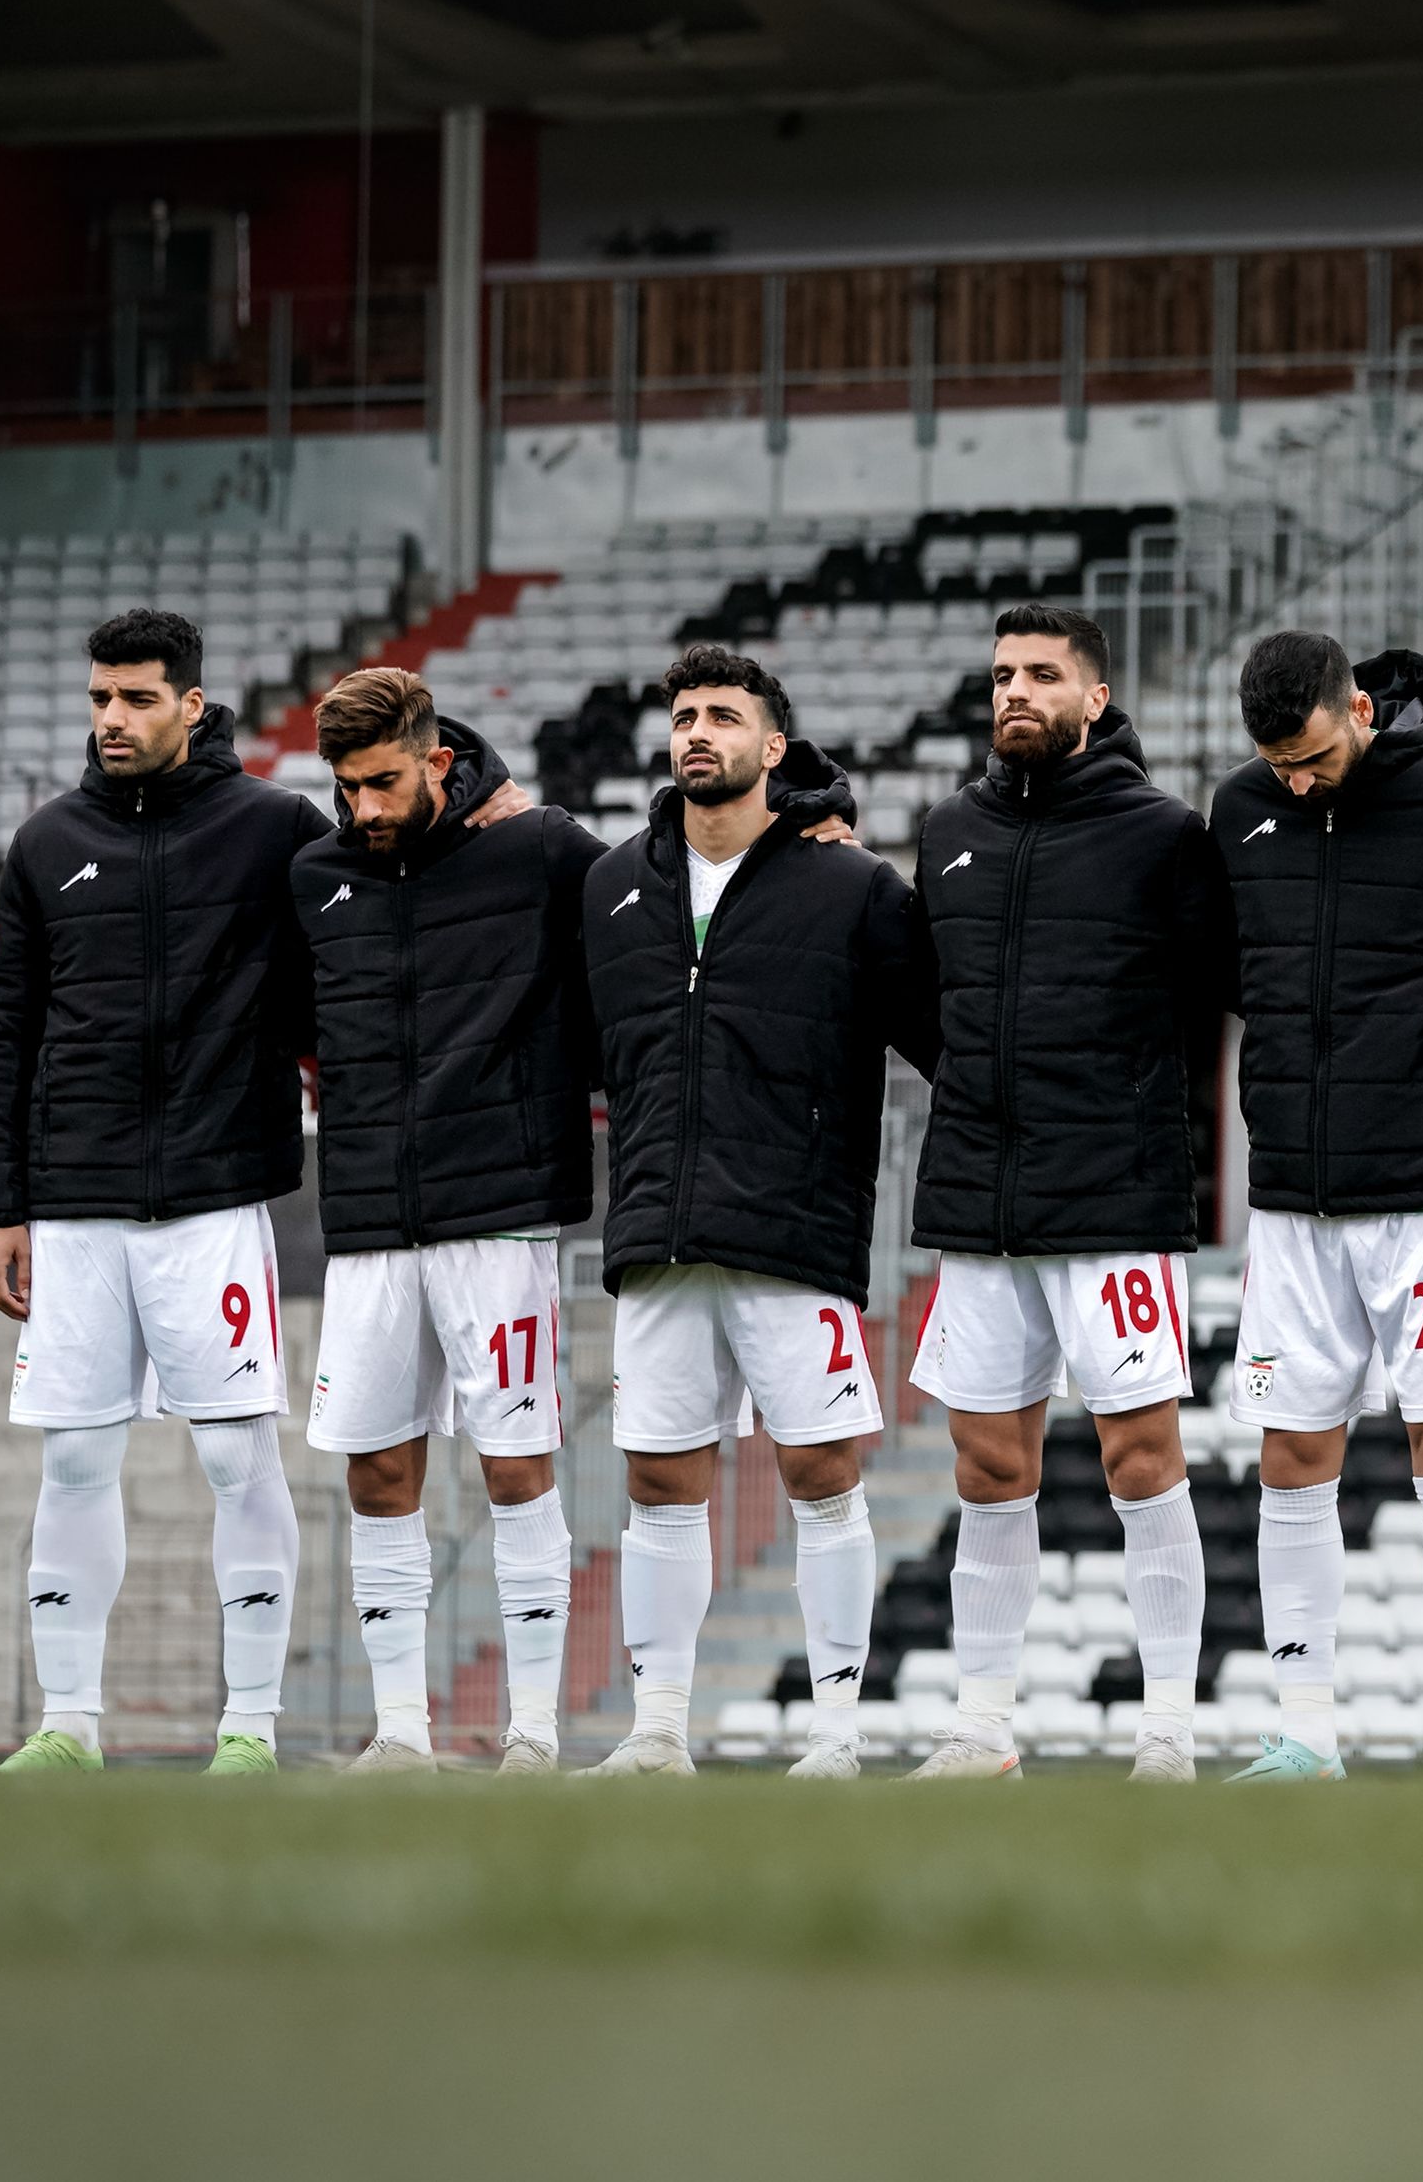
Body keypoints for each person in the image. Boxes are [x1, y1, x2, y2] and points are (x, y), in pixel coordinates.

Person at [0, 609, 333, 1774]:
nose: (112, 719)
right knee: (74, 1459)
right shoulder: (44, 844)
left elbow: (357, 958)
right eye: (98, 699)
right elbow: (6, 1031)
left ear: (191, 701)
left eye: (135, 698)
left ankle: (249, 1726)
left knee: (238, 1460)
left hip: (217, 1198)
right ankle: (67, 1724)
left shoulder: (276, 827)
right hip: (72, 1205)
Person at [577, 647, 934, 1778]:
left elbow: (942, 1040)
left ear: (772, 747)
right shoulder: (614, 886)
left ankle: (835, 1735)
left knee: (823, 1471)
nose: (697, 732)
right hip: (657, 1233)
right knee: (658, 1482)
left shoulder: (855, 887)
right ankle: (658, 1733)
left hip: (795, 1230)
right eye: (684, 714)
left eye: (722, 715)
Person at [1212, 632, 1423, 1782]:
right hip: (1294, 1191)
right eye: (1277, 764)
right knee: (1291, 1447)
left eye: (1311, 756)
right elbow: (1233, 969)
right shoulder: (1237, 809)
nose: (1296, 781)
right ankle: (1303, 1727)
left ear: (1357, 706)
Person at [904, 606, 1235, 1782]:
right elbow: (921, 1006)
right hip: (981, 1199)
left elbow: (1217, 993)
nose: (1016, 692)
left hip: (1115, 1194)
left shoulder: (1162, 835)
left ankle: (1167, 1733)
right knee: (988, 1467)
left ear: (1095, 697)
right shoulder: (947, 829)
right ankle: (982, 1729)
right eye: (1002, 674)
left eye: (1043, 674)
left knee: (1143, 1457)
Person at [294, 667, 595, 1776]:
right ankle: (402, 1738)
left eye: (382, 782)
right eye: (346, 786)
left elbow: (649, 930)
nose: (363, 808)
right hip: (371, 1216)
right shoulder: (315, 875)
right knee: (377, 1475)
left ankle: (533, 1737)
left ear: (435, 759)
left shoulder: (544, 849)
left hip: (502, 1212)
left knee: (517, 1468)